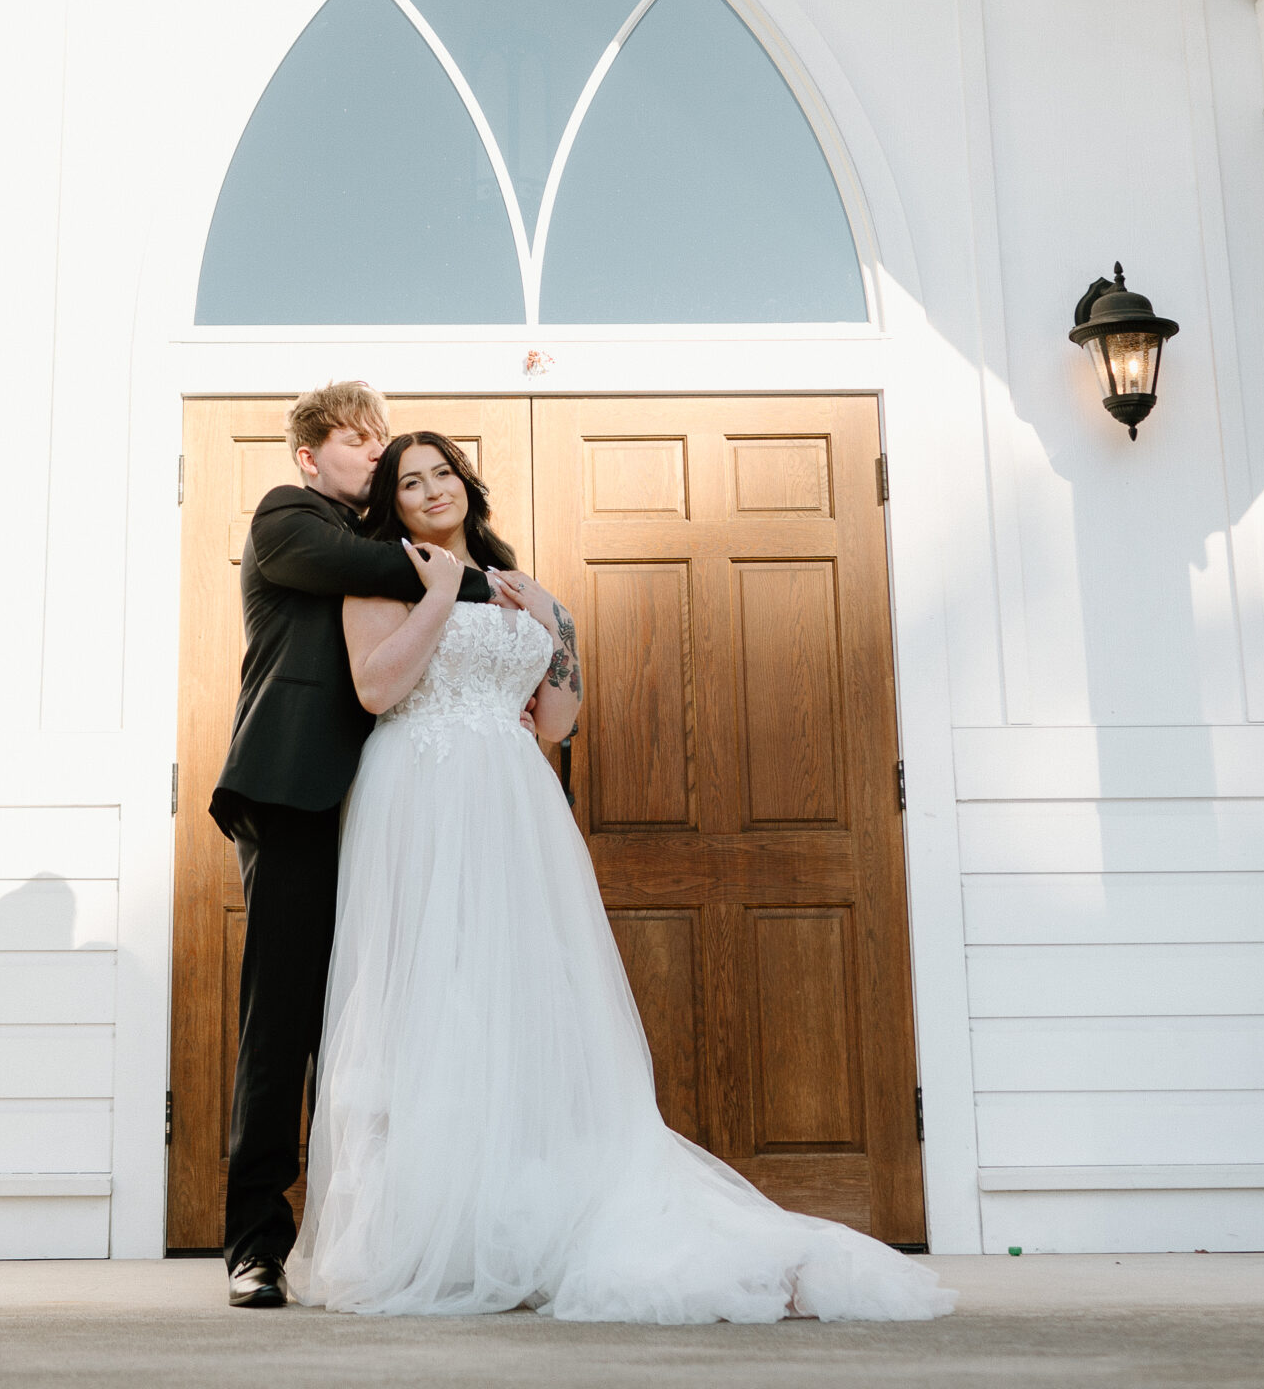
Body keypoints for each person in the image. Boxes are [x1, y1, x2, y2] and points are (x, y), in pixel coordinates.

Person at [286, 431, 955, 1326]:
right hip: (419, 795)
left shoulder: (522, 587)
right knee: (427, 993)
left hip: (513, 800)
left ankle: (528, 1206)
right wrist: (438, 597)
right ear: (393, 504)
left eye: (441, 472)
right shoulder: (383, 574)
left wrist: (556, 625)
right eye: (409, 482)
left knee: (523, 993)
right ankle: (430, 1226)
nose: (430, 490)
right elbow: (375, 689)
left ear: (465, 484)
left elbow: (555, 719)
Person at [210, 383, 510, 1309]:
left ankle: (402, 1223)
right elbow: (358, 562)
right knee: (287, 1019)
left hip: (401, 802)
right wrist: (463, 573)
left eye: (384, 440)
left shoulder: (393, 544)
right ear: (309, 457)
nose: (376, 453)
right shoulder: (289, 519)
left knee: (401, 1014)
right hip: (299, 797)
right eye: (356, 441)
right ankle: (255, 1241)